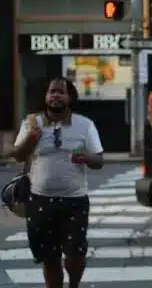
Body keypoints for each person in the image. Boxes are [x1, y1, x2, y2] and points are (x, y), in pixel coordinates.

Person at [9, 77, 104, 288]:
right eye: (52, 91)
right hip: (40, 201)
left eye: (61, 92)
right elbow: (16, 155)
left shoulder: (85, 125)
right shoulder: (31, 122)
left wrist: (87, 157)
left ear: (70, 98)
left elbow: (99, 160)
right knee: (50, 258)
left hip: (75, 201)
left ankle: (74, 285)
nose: (56, 95)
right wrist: (31, 139)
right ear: (46, 96)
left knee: (76, 254)